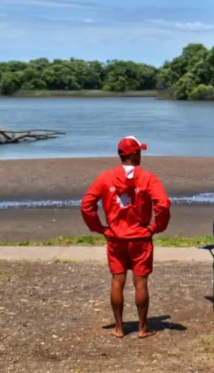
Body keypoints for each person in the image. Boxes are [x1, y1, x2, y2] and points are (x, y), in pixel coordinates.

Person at [80, 136, 171, 339]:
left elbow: (86, 205)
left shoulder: (106, 177)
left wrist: (100, 228)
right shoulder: (148, 178)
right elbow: (163, 204)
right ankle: (142, 328)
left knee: (117, 280)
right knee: (141, 282)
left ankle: (119, 328)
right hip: (140, 238)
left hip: (116, 237)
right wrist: (156, 227)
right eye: (139, 152)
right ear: (135, 154)